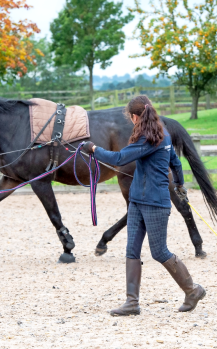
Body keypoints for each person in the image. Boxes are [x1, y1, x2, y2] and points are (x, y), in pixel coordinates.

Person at [82, 95, 205, 316]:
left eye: (130, 117)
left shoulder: (149, 139)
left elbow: (119, 158)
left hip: (155, 202)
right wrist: (179, 183)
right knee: (132, 250)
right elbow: (175, 163)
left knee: (159, 251)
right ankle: (132, 302)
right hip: (138, 200)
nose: (130, 120)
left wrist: (93, 150)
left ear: (136, 116)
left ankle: (192, 290)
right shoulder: (161, 135)